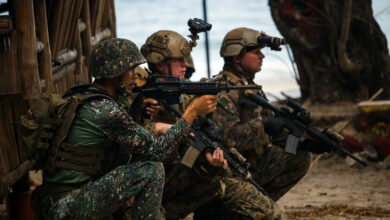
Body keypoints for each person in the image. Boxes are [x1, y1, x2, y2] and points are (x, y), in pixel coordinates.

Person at [31, 38, 218, 219]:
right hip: (67, 207)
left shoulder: (85, 96)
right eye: (130, 70)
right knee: (152, 169)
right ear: (115, 72)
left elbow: (121, 148)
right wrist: (192, 111)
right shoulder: (106, 110)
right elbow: (158, 151)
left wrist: (136, 115)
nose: (135, 76)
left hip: (56, 201)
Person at [140, 30, 283, 220]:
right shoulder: (139, 97)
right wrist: (189, 112)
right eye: (179, 60)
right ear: (159, 62)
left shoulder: (181, 96)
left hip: (172, 177)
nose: (186, 64)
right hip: (147, 184)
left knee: (217, 171)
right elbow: (132, 145)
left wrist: (209, 154)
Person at [194, 27, 320, 219]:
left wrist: (303, 142)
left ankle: (244, 210)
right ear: (237, 57)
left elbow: (277, 136)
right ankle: (221, 211)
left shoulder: (250, 89)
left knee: (301, 157)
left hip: (249, 166)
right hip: (226, 176)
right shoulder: (224, 90)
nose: (262, 56)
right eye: (255, 52)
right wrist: (265, 124)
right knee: (273, 216)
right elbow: (226, 139)